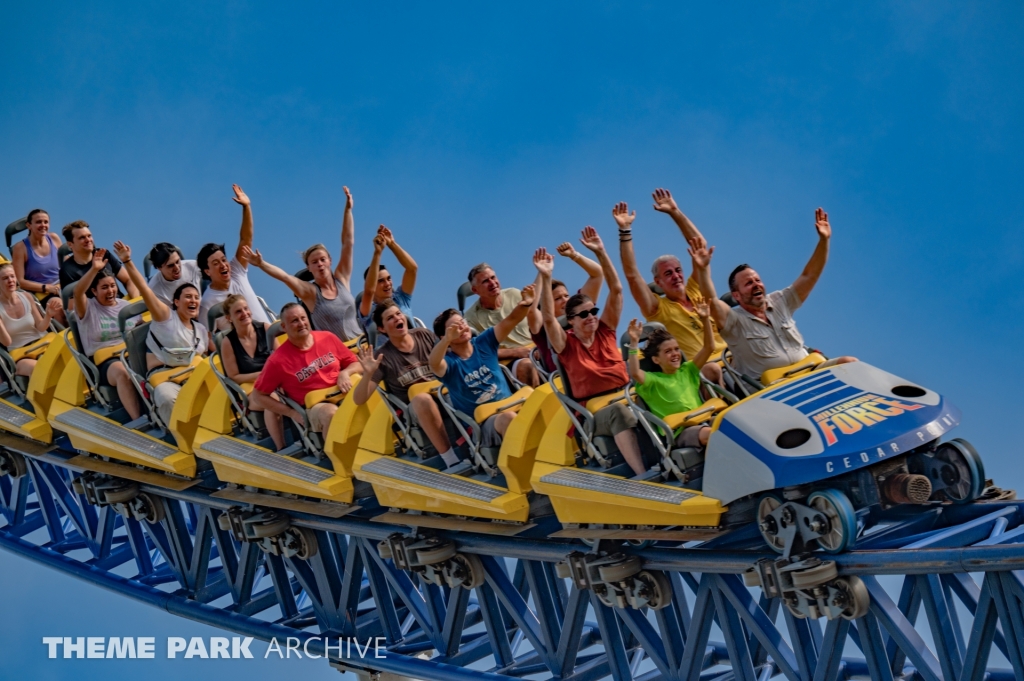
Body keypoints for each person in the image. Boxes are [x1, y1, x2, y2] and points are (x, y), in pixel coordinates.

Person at [689, 208, 857, 382]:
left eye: (757, 280)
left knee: (850, 363)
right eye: (748, 283)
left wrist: (824, 240)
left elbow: (809, 276)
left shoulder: (780, 301)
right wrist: (702, 270)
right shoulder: (734, 321)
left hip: (808, 371)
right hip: (772, 389)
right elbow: (712, 301)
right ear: (736, 296)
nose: (756, 285)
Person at [535, 227, 646, 476]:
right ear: (571, 321)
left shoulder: (606, 331)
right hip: (597, 411)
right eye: (583, 314)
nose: (591, 317)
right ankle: (643, 475)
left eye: (593, 312)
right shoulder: (566, 344)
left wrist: (600, 252)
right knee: (619, 413)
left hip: (627, 394)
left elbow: (616, 289)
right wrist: (545, 276)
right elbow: (550, 320)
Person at [616, 191, 726, 386]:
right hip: (704, 372)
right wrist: (625, 231)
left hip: (732, 358)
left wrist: (675, 212)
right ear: (658, 283)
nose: (676, 276)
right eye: (668, 274)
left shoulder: (696, 290)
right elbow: (632, 275)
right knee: (713, 370)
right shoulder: (658, 309)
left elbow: (700, 246)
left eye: (678, 271)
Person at [429, 285, 536, 468]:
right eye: (454, 327)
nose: (461, 327)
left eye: (462, 322)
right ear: (443, 336)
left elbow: (511, 320)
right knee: (508, 419)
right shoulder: (450, 364)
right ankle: (528, 467)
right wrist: (447, 340)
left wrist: (525, 304)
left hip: (512, 404)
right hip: (484, 427)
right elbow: (433, 363)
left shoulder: (484, 342)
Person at [244, 186, 362, 341]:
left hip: (361, 343)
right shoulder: (310, 293)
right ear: (309, 267)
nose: (320, 264)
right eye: (314, 262)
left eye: (322, 260)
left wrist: (348, 210)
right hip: (340, 352)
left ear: (330, 261)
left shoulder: (342, 279)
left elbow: (348, 243)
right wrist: (261, 264)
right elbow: (285, 277)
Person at [115, 240, 212, 427]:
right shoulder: (164, 316)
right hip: (166, 375)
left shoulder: (200, 328)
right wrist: (127, 262)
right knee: (167, 399)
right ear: (175, 301)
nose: (177, 268)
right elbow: (144, 290)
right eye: (187, 298)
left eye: (196, 298)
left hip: (192, 371)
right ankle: (181, 439)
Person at [352, 300, 453, 460]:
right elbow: (359, 399)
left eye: (398, 314)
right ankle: (450, 459)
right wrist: (368, 374)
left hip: (444, 393)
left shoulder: (423, 335)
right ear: (381, 328)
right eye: (390, 318)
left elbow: (452, 360)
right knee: (422, 399)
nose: (397, 318)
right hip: (416, 408)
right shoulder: (382, 357)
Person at [250, 303, 363, 438]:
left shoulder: (328, 337)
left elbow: (356, 363)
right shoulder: (277, 361)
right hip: (315, 406)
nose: (301, 323)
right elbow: (259, 396)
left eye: (303, 318)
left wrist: (345, 373)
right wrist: (291, 412)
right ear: (284, 327)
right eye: (294, 321)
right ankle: (336, 456)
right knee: (331, 414)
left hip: (343, 391)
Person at [626, 298, 716, 451]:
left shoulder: (688, 370)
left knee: (735, 425)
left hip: (705, 420)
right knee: (715, 435)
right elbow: (634, 371)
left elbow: (709, 347)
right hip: (682, 431)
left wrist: (705, 319)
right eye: (668, 351)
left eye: (676, 349)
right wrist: (634, 343)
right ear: (656, 359)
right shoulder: (653, 381)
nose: (675, 354)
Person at [72, 248, 141, 420]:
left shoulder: (125, 306)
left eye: (112, 286)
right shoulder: (88, 309)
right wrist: (94, 268)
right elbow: (77, 292)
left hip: (130, 355)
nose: (110, 291)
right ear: (94, 291)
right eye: (104, 288)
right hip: (106, 363)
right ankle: (138, 419)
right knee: (123, 373)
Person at [197, 184, 271, 331]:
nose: (223, 265)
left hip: (272, 339)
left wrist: (246, 207)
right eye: (216, 263)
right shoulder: (207, 303)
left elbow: (246, 239)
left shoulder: (236, 270)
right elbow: (209, 339)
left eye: (223, 260)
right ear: (207, 271)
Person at [220, 293, 285, 451]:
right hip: (253, 390)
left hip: (276, 382)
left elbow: (281, 359)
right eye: (238, 312)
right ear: (229, 318)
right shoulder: (228, 342)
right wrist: (262, 375)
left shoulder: (265, 329)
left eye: (246, 309)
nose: (244, 314)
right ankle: (282, 448)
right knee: (272, 402)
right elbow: (233, 377)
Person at [528, 241, 603, 374]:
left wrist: (575, 255)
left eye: (566, 296)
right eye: (558, 298)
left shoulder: (579, 311)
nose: (565, 300)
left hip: (596, 365)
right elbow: (531, 307)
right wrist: (543, 273)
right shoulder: (541, 328)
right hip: (566, 380)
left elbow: (597, 274)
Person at [464, 263, 540, 387]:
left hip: (535, 349)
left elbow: (535, 317)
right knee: (527, 366)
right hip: (509, 362)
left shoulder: (514, 294)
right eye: (485, 281)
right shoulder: (470, 319)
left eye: (493, 278)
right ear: (475, 290)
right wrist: (517, 352)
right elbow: (477, 352)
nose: (492, 283)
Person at [359, 225, 418, 335]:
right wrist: (378, 253)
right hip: (388, 352)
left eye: (389, 279)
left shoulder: (400, 298)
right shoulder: (369, 311)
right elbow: (368, 291)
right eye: (381, 281)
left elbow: (412, 269)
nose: (387, 284)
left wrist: (391, 243)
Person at [0, 263, 57, 377]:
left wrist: (48, 316)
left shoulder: (26, 296)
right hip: (21, 354)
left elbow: (41, 327)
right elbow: (7, 342)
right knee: (41, 369)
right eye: (5, 278)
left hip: (44, 342)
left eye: (12, 276)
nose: (10, 280)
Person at [59, 220, 139, 298]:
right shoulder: (67, 270)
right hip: (95, 310)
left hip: (119, 304)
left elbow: (128, 280)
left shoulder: (104, 254)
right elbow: (72, 305)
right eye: (82, 238)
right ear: (70, 244)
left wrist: (135, 303)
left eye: (89, 236)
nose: (88, 240)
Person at [12, 209, 63, 312]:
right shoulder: (20, 248)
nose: (43, 225)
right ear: (29, 225)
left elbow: (67, 265)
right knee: (59, 309)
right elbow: (19, 282)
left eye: (46, 222)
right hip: (43, 293)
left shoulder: (54, 238)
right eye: (38, 222)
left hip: (63, 286)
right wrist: (46, 288)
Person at [147, 242, 203, 306]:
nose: (177, 268)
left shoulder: (193, 266)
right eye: (170, 265)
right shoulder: (154, 290)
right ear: (159, 268)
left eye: (177, 261)